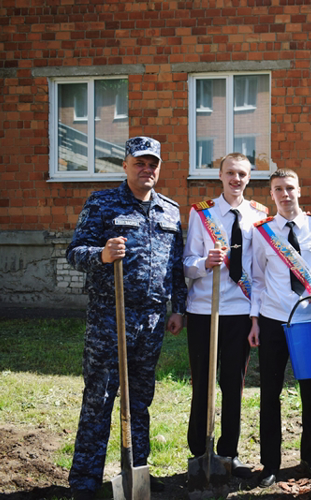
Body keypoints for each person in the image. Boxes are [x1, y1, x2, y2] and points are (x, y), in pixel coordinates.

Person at [66, 136, 187, 500]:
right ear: (125, 165)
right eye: (140, 163)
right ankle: (85, 481)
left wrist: (177, 307)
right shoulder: (103, 203)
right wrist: (101, 255)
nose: (146, 169)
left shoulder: (170, 210)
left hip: (151, 321)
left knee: (139, 400)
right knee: (100, 399)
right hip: (109, 318)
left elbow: (176, 267)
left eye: (153, 164)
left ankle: (137, 474)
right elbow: (75, 252)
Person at [248, 168, 311, 488]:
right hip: (274, 320)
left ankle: (310, 459)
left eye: (290, 188)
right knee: (270, 395)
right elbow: (257, 281)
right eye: (278, 189)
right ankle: (270, 465)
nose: (285, 194)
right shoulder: (262, 233)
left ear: (299, 190)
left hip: (310, 322)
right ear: (271, 194)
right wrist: (255, 320)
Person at [182, 152, 268, 477]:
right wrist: (205, 262)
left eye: (242, 174)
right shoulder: (201, 214)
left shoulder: (259, 215)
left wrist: (256, 316)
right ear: (220, 176)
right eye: (230, 173)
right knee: (202, 383)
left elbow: (259, 273)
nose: (236, 179)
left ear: (249, 178)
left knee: (234, 384)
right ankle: (199, 452)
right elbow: (186, 262)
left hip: (240, 311)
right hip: (205, 309)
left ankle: (228, 454)